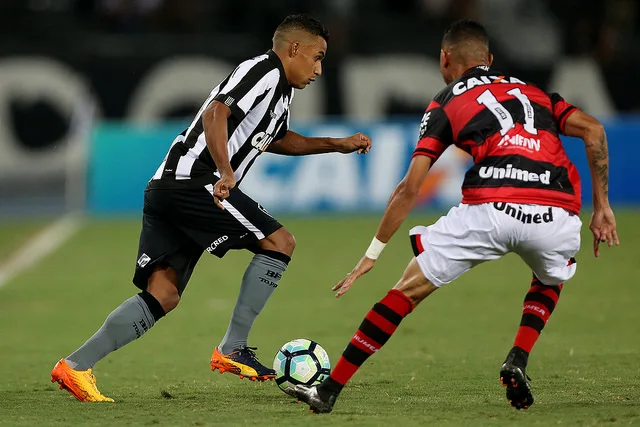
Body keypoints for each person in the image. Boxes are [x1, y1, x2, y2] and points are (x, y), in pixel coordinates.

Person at [294, 19, 619, 413]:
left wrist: (372, 254)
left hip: (490, 209)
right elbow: (595, 130)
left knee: (406, 291)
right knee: (551, 277)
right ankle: (518, 356)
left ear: (445, 59)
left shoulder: (446, 101)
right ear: (491, 59)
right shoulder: (536, 94)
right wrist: (602, 207)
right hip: (555, 211)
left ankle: (327, 392)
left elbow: (409, 187)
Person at [50, 14, 372, 402]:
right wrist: (224, 171)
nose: (319, 69)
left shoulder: (281, 92)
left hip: (168, 187)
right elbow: (215, 111)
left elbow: (278, 138)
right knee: (280, 242)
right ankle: (233, 347)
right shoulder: (263, 71)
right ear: (294, 49)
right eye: (317, 57)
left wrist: (336, 144)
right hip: (194, 181)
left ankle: (75, 366)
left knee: (163, 294)